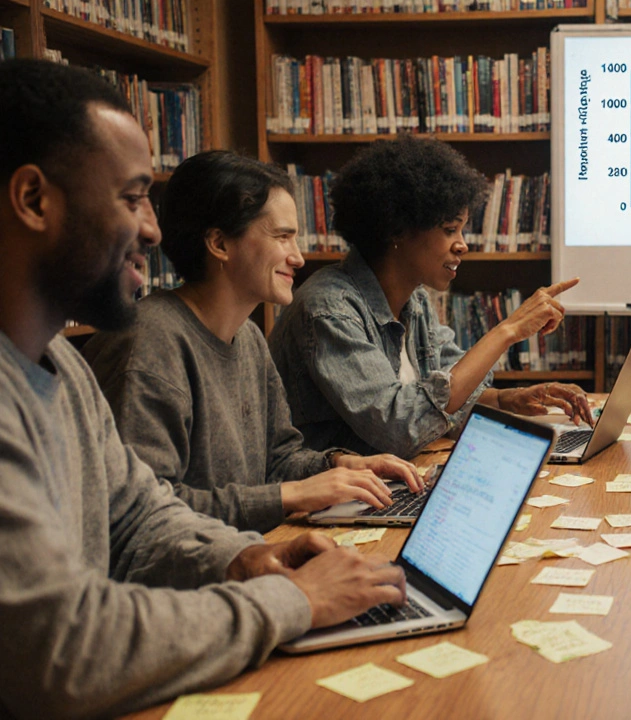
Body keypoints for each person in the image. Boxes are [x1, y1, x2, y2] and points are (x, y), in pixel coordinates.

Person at [0, 60, 406, 718]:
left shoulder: (58, 365)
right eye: (132, 199)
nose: (155, 232)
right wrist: (293, 601)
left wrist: (247, 557)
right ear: (35, 200)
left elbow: (138, 516)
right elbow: (59, 649)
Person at [82, 151, 424, 534]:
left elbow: (278, 458)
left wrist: (340, 465)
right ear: (219, 243)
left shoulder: (247, 337)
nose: (297, 257)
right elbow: (143, 512)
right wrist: (289, 496)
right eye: (282, 237)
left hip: (236, 558)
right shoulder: (149, 343)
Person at [270, 136, 593, 459]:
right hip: (331, 503)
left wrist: (509, 399)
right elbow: (401, 429)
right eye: (450, 229)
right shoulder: (329, 310)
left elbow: (447, 396)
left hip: (388, 484)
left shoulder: (416, 300)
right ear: (396, 228)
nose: (462, 244)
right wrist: (507, 331)